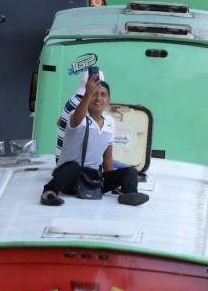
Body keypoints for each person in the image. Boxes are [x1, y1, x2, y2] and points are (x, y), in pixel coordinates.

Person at [41, 73, 148, 207]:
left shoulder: (110, 122)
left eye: (103, 95)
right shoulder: (77, 116)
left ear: (109, 100)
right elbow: (77, 118)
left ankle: (129, 194)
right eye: (94, 94)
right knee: (72, 166)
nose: (98, 98)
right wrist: (87, 93)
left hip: (93, 180)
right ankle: (49, 193)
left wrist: (111, 182)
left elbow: (107, 158)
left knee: (131, 171)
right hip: (71, 178)